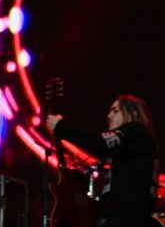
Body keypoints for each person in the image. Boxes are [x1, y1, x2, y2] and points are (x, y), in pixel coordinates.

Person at [46, 95, 158, 227]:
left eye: (115, 111)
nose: (109, 116)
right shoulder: (135, 146)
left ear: (133, 114)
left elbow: (100, 142)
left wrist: (61, 127)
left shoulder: (135, 131)